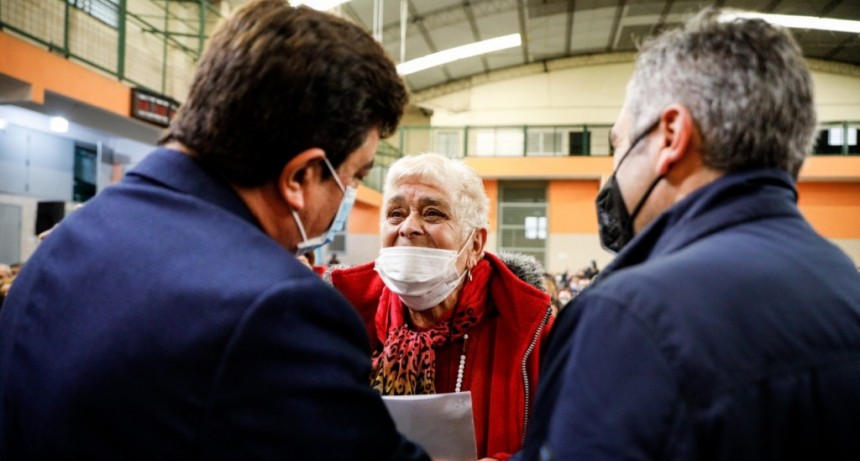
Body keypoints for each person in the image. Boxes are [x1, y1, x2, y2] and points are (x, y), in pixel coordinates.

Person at [0, 2, 428, 460]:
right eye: (356, 175)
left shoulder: (68, 238)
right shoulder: (275, 311)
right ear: (300, 178)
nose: (351, 192)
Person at [514, 8, 860, 461]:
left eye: (619, 145)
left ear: (671, 135)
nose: (612, 173)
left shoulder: (628, 316)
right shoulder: (846, 287)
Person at [328, 153, 554, 461]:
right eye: (395, 213)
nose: (408, 227)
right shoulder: (345, 319)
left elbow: (570, 443)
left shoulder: (530, 330)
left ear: (475, 244)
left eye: (432, 213)